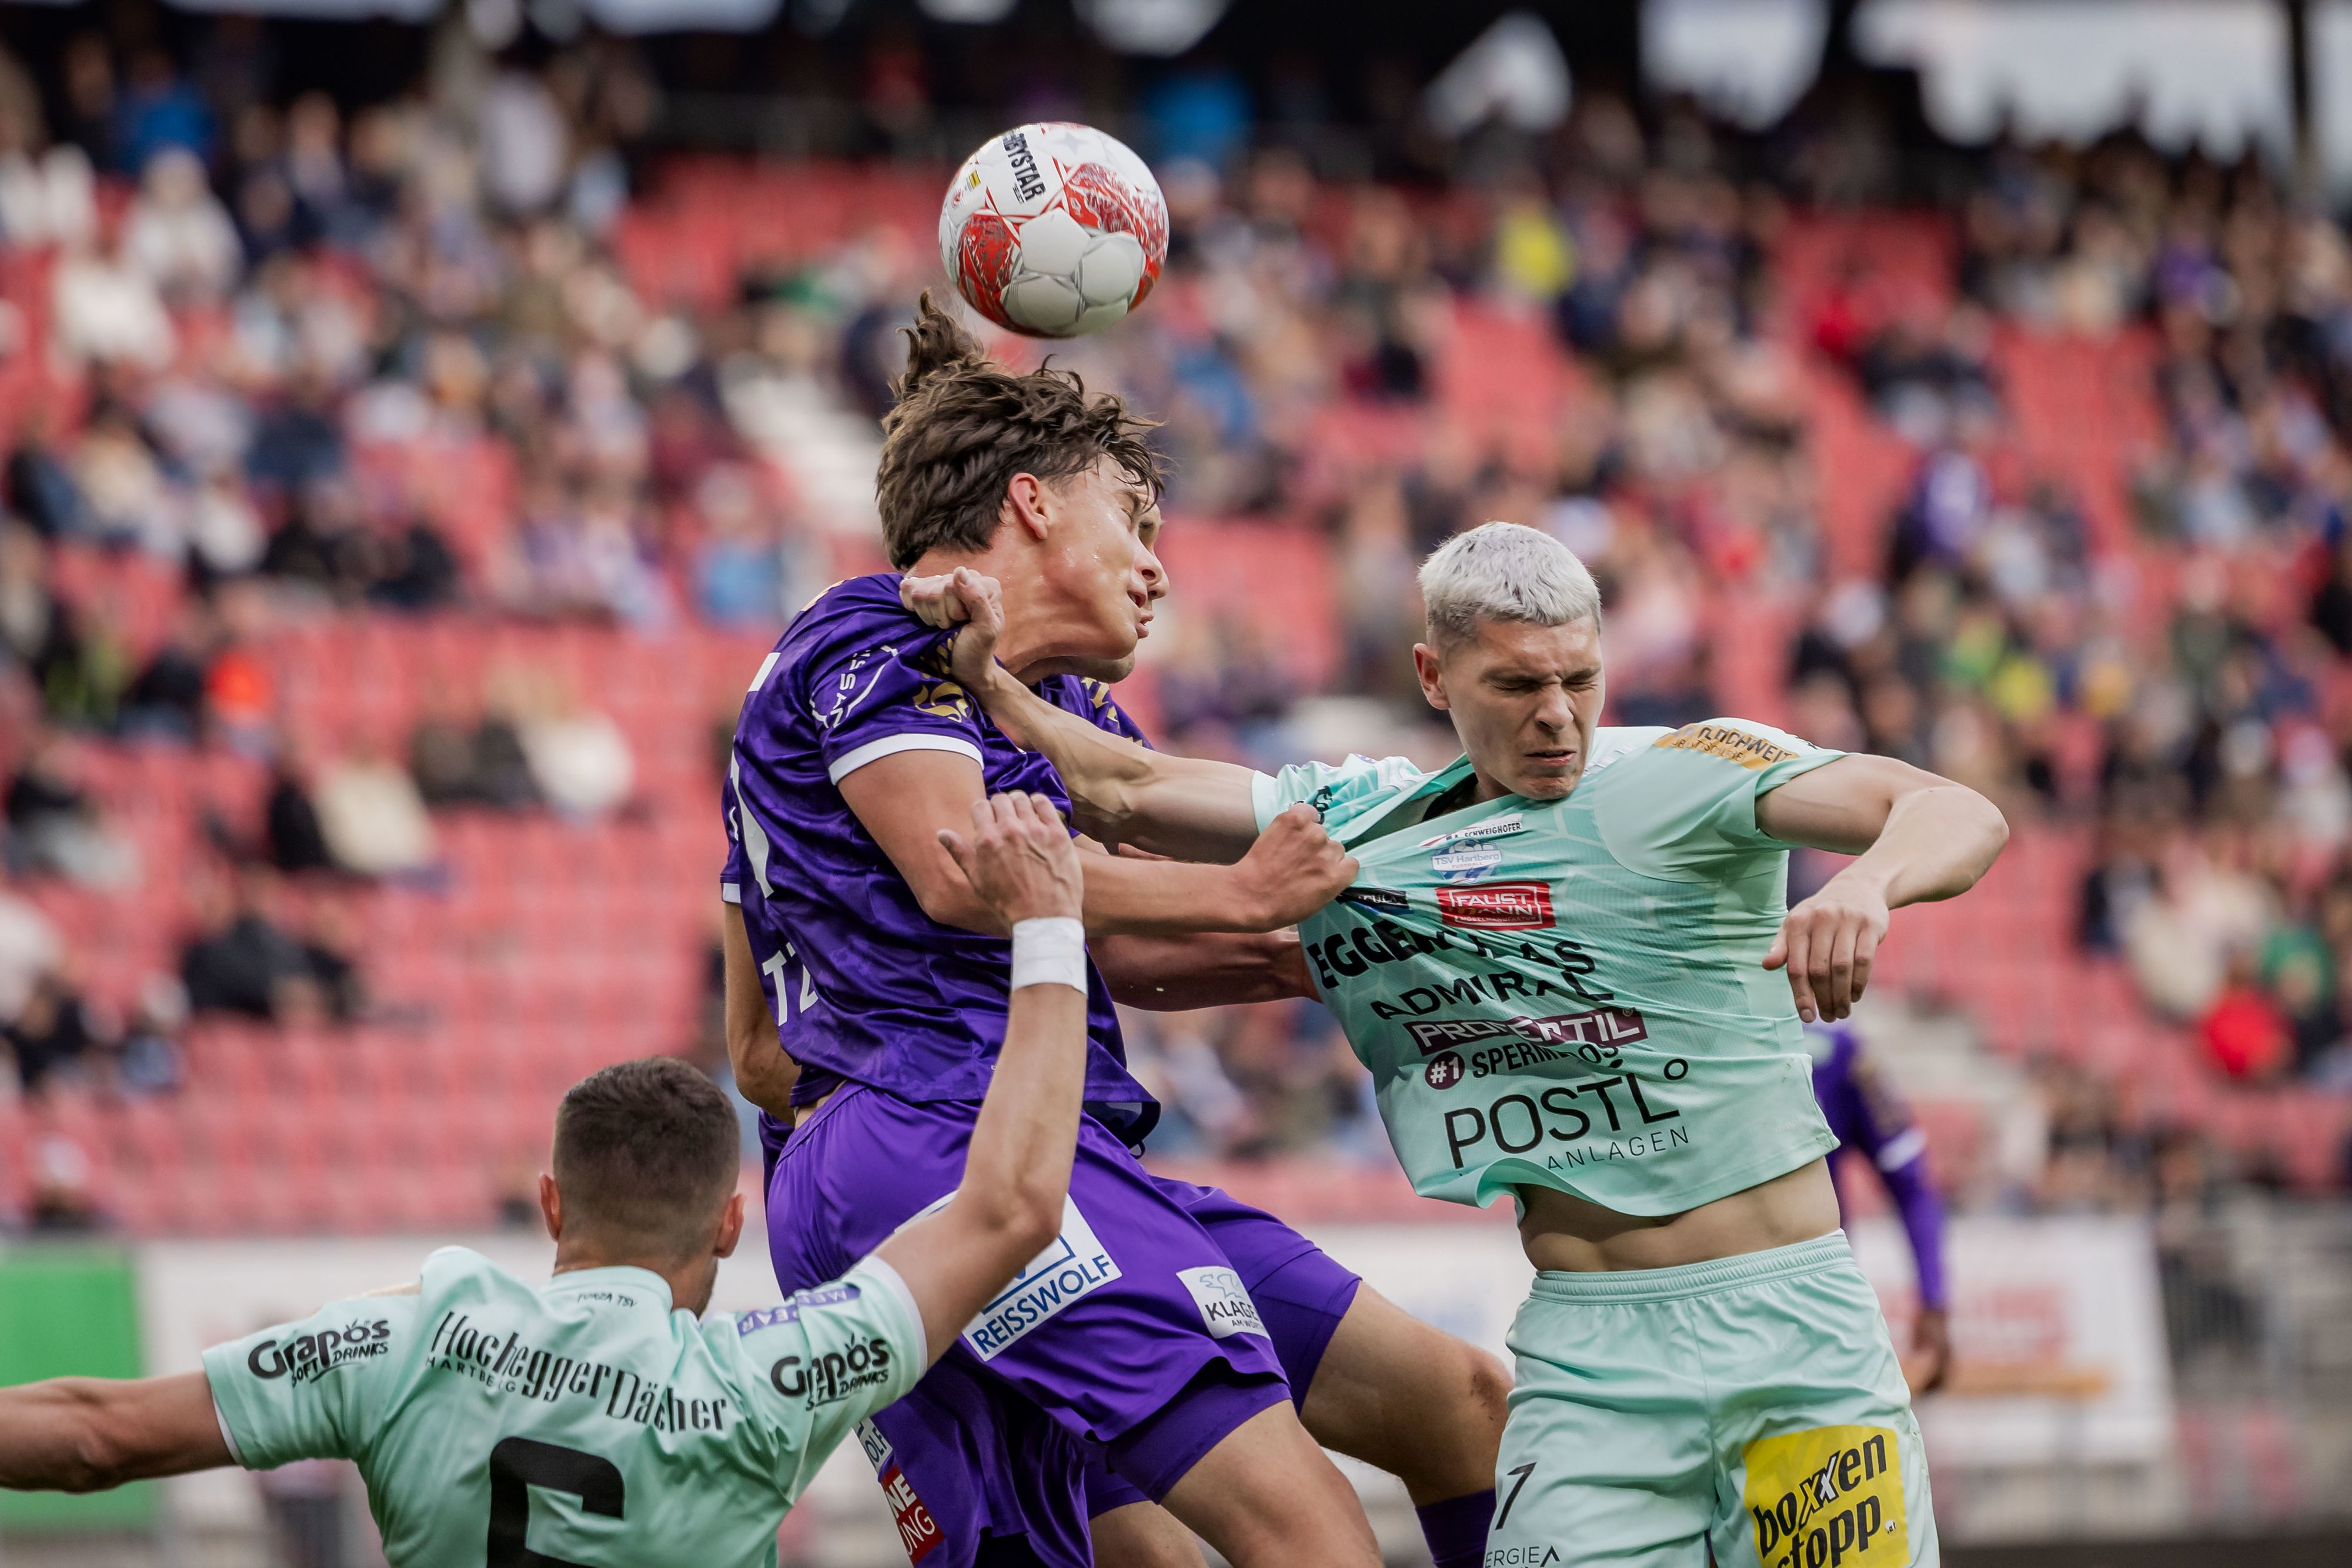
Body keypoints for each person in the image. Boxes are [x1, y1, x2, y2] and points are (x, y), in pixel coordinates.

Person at [907, 520, 2011, 1568]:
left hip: (1791, 1336)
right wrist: (984, 669)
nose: (1559, 717)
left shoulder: (1697, 770)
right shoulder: (1372, 814)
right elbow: (1124, 787)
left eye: (1580, 680)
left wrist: (1867, 882)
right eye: (1518, 686)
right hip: (1589, 1363)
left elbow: (1951, 809)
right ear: (1436, 679)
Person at [721, 294, 1508, 1568]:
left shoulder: (1055, 712)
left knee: (1458, 1405)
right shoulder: (874, 629)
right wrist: (1250, 895)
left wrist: (1322, 962)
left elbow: (1117, 941)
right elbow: (965, 873)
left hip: (1030, 1136)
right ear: (1031, 502)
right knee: (1309, 1538)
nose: (1157, 566)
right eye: (1131, 523)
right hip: (940, 1142)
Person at [0, 792, 1107, 1568]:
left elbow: (100, 1434)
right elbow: (1009, 1208)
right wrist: (1051, 926)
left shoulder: (416, 1339)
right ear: (731, 1225)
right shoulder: (770, 1376)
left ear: (550, 1202)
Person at [1806, 1021, 1952, 1393]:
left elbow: (1912, 1183)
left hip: (1818, 1308)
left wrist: (1934, 1298)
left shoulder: (1840, 1052)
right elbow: (1914, 1187)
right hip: (1696, 1301)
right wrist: (1933, 1297)